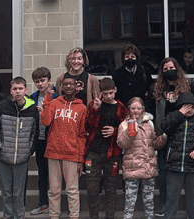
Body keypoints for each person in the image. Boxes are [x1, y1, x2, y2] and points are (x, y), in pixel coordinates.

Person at [149, 57, 194, 216]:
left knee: (188, 176)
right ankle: (165, 206)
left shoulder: (189, 87)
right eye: (166, 68)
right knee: (164, 171)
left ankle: (190, 211)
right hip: (164, 132)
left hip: (186, 132)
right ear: (162, 72)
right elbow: (150, 109)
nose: (170, 71)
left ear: (178, 68)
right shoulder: (156, 89)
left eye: (172, 67)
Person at [157, 92, 194, 219]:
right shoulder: (173, 118)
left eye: (192, 107)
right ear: (179, 107)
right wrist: (179, 114)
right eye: (186, 107)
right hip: (174, 167)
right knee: (171, 201)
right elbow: (164, 126)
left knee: (193, 202)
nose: (189, 110)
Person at [0, 77, 39, 219]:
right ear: (10, 91)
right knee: (6, 192)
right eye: (15, 89)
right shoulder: (2, 106)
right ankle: (8, 216)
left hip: (22, 158)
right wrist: (0, 148)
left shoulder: (32, 108)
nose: (18, 91)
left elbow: (35, 134)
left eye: (20, 88)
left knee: (18, 192)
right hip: (3, 157)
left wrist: (29, 150)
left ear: (26, 89)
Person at [41, 75, 88, 219]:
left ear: (76, 87)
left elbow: (82, 135)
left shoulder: (82, 108)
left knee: (72, 190)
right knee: (54, 190)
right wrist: (48, 96)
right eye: (65, 84)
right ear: (61, 87)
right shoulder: (54, 103)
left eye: (71, 84)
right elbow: (45, 121)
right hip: (54, 152)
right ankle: (53, 216)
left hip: (72, 154)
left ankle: (74, 216)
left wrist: (81, 159)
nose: (68, 87)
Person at [84, 77, 127, 219]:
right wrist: (95, 110)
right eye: (105, 93)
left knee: (111, 189)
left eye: (111, 93)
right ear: (100, 92)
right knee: (91, 189)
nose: (108, 96)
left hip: (112, 154)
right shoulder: (93, 105)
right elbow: (87, 125)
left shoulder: (121, 108)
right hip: (93, 152)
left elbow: (126, 130)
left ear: (115, 90)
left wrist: (114, 131)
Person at [116, 97, 158, 219]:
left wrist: (162, 139)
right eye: (133, 108)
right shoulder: (124, 124)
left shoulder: (150, 123)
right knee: (129, 202)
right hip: (132, 168)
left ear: (143, 109)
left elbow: (153, 143)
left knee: (149, 201)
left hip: (148, 167)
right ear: (128, 109)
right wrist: (130, 132)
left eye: (139, 108)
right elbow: (122, 144)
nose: (136, 111)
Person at [28, 67, 59, 216]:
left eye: (43, 80)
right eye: (37, 81)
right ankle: (43, 203)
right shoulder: (32, 97)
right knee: (42, 174)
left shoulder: (57, 96)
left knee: (54, 174)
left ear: (48, 81)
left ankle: (55, 205)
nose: (40, 84)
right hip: (39, 139)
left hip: (53, 139)